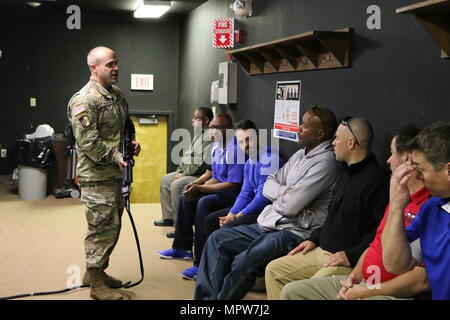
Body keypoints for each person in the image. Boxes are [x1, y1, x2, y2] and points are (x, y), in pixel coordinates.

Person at [194, 106, 340, 300]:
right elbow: (266, 187)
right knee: (217, 239)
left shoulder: (325, 162)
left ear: (320, 133)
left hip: (295, 231)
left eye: (304, 126)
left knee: (243, 260)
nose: (298, 129)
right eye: (240, 141)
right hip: (273, 221)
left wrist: (282, 199)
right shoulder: (299, 155)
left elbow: (289, 205)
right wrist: (285, 193)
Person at [281, 124, 431, 300]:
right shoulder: (398, 195)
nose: (388, 160)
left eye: (391, 153)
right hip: (366, 279)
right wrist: (354, 278)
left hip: (387, 293)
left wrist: (367, 290)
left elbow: (419, 279)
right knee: (292, 292)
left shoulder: (430, 206)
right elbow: (375, 244)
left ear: (409, 159)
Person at [265, 117, 389, 300]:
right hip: (321, 249)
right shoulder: (345, 173)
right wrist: (314, 239)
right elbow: (332, 218)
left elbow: (379, 233)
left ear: (351, 143)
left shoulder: (377, 181)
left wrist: (351, 255)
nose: (332, 143)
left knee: (298, 291)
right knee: (273, 269)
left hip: (346, 259)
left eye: (337, 138)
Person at [67, 46, 140, 300]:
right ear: (94, 68)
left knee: (113, 224)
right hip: (95, 176)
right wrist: (116, 156)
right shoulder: (84, 100)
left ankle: (95, 272)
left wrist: (131, 142)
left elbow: (125, 125)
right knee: (101, 226)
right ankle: (97, 284)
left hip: (114, 174)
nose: (116, 68)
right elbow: (88, 142)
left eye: (116, 63)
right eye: (109, 64)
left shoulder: (117, 95)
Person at [177, 120, 286, 280]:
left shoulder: (270, 159)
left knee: (221, 223)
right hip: (253, 208)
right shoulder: (250, 161)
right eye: (241, 141)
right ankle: (202, 266)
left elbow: (262, 198)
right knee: (209, 220)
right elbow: (245, 193)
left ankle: (217, 273)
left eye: (249, 139)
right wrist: (232, 212)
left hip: (269, 212)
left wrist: (237, 216)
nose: (246, 145)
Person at [158, 113, 246, 274]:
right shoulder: (216, 146)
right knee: (187, 194)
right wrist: (196, 185)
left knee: (203, 202)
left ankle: (200, 263)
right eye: (211, 127)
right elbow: (212, 175)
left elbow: (233, 183)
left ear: (229, 129)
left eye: (217, 128)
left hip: (231, 193)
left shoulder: (235, 150)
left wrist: (203, 189)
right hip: (219, 188)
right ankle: (182, 248)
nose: (212, 131)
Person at [382, 122, 450, 300]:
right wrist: (396, 206)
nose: (417, 176)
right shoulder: (432, 207)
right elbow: (395, 264)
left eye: (420, 169)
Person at [155, 107, 213, 239]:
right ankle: (168, 218)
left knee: (176, 185)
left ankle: (179, 228)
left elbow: (200, 162)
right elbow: (187, 156)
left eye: (196, 118)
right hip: (188, 172)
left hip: (200, 175)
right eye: (193, 117)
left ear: (206, 120)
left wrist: (184, 174)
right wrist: (180, 171)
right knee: (165, 179)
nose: (192, 120)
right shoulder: (198, 134)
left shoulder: (209, 136)